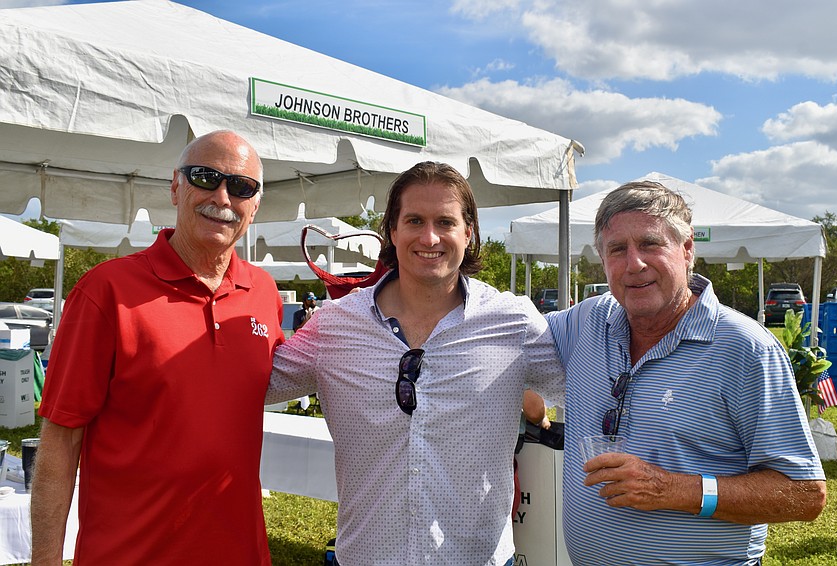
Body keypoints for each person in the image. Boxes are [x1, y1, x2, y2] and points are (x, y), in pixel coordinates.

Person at [267, 161, 563, 565]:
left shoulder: (513, 322)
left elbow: (590, 384)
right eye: (414, 220)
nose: (430, 237)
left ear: (468, 232)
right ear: (392, 230)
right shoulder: (335, 325)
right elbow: (252, 384)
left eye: (445, 221)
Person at [31, 130, 284, 565]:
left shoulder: (263, 291)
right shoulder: (106, 290)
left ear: (255, 204)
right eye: (205, 177)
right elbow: (61, 438)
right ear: (174, 186)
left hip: (239, 552)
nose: (222, 197)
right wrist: (44, 560)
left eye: (241, 186)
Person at [547, 181, 826, 565]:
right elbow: (501, 334)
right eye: (617, 250)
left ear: (687, 249)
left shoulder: (745, 349)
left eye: (649, 244)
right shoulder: (588, 322)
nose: (634, 264)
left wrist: (673, 490)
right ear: (602, 258)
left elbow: (804, 494)